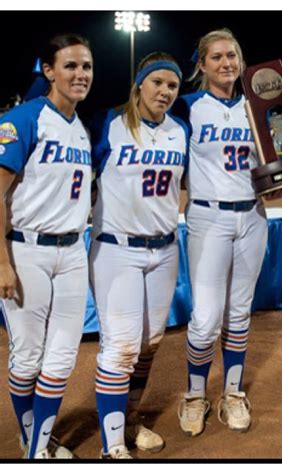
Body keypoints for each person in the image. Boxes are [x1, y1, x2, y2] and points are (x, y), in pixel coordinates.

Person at [172, 29, 282, 437]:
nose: (227, 63)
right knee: (204, 320)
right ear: (201, 64)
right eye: (217, 57)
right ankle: (194, 393)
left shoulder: (260, 107)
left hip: (253, 215)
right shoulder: (185, 107)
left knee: (239, 313)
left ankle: (233, 393)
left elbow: (277, 163)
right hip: (207, 217)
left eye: (233, 56)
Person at [89, 53, 187, 459]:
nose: (164, 91)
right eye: (157, 83)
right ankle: (112, 448)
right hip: (117, 249)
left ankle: (128, 420)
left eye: (173, 86)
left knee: (150, 342)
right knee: (122, 346)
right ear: (139, 84)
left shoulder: (180, 130)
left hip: (164, 249)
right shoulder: (106, 124)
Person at [0, 33, 93, 459]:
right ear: (49, 70)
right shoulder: (23, 119)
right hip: (26, 251)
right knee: (28, 358)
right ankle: (34, 442)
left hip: (73, 252)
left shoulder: (81, 128)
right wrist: (2, 263)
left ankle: (36, 451)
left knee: (60, 361)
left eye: (87, 66)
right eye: (71, 65)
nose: (80, 74)